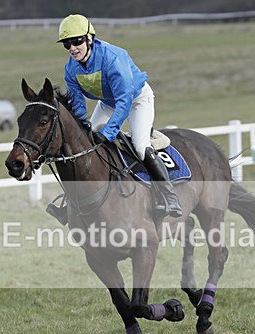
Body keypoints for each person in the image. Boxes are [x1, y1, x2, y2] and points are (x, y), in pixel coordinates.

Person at [57, 13, 182, 218]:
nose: (72, 48)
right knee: (84, 144)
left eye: (76, 41)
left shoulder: (112, 58)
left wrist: (108, 131)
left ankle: (169, 196)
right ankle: (74, 201)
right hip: (107, 104)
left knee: (141, 146)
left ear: (90, 38)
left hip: (136, 100)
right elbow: (78, 106)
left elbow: (124, 101)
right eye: (66, 44)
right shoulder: (70, 69)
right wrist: (82, 128)